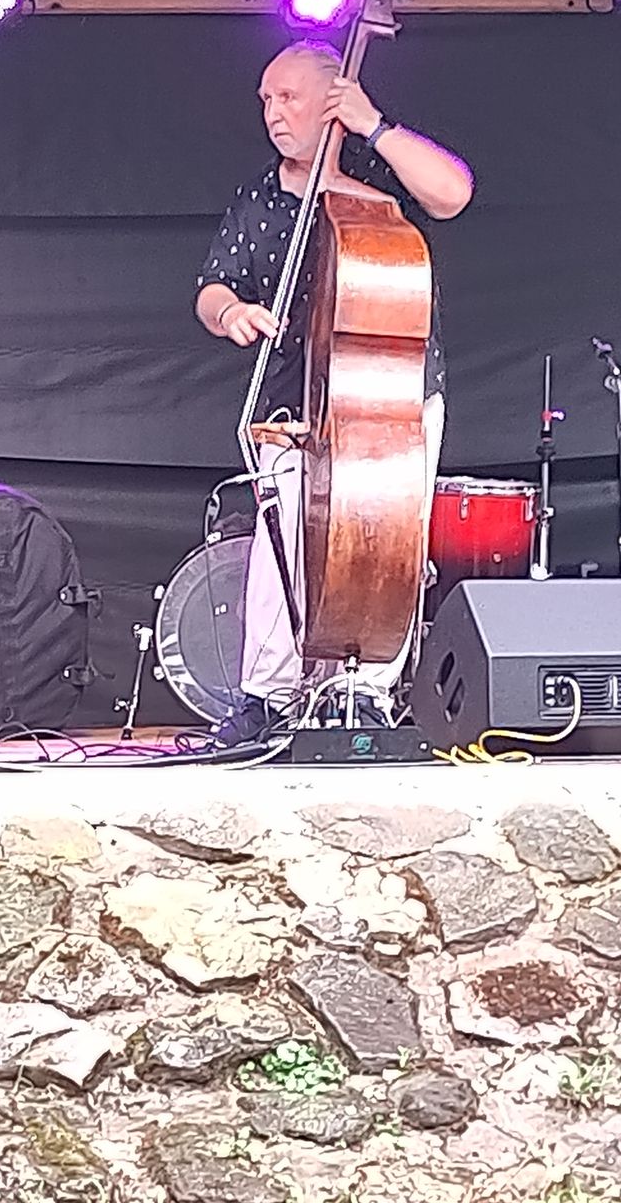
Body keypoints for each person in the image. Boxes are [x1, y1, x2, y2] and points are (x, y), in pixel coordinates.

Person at [195, 39, 475, 745]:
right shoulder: (258, 197)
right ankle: (267, 694)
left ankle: (365, 690)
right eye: (266, 99)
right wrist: (232, 313)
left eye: (288, 96)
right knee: (282, 540)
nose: (272, 111)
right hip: (293, 398)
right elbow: (213, 286)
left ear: (331, 101)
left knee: (385, 544)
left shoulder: (381, 174)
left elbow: (453, 194)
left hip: (392, 394)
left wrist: (373, 124)